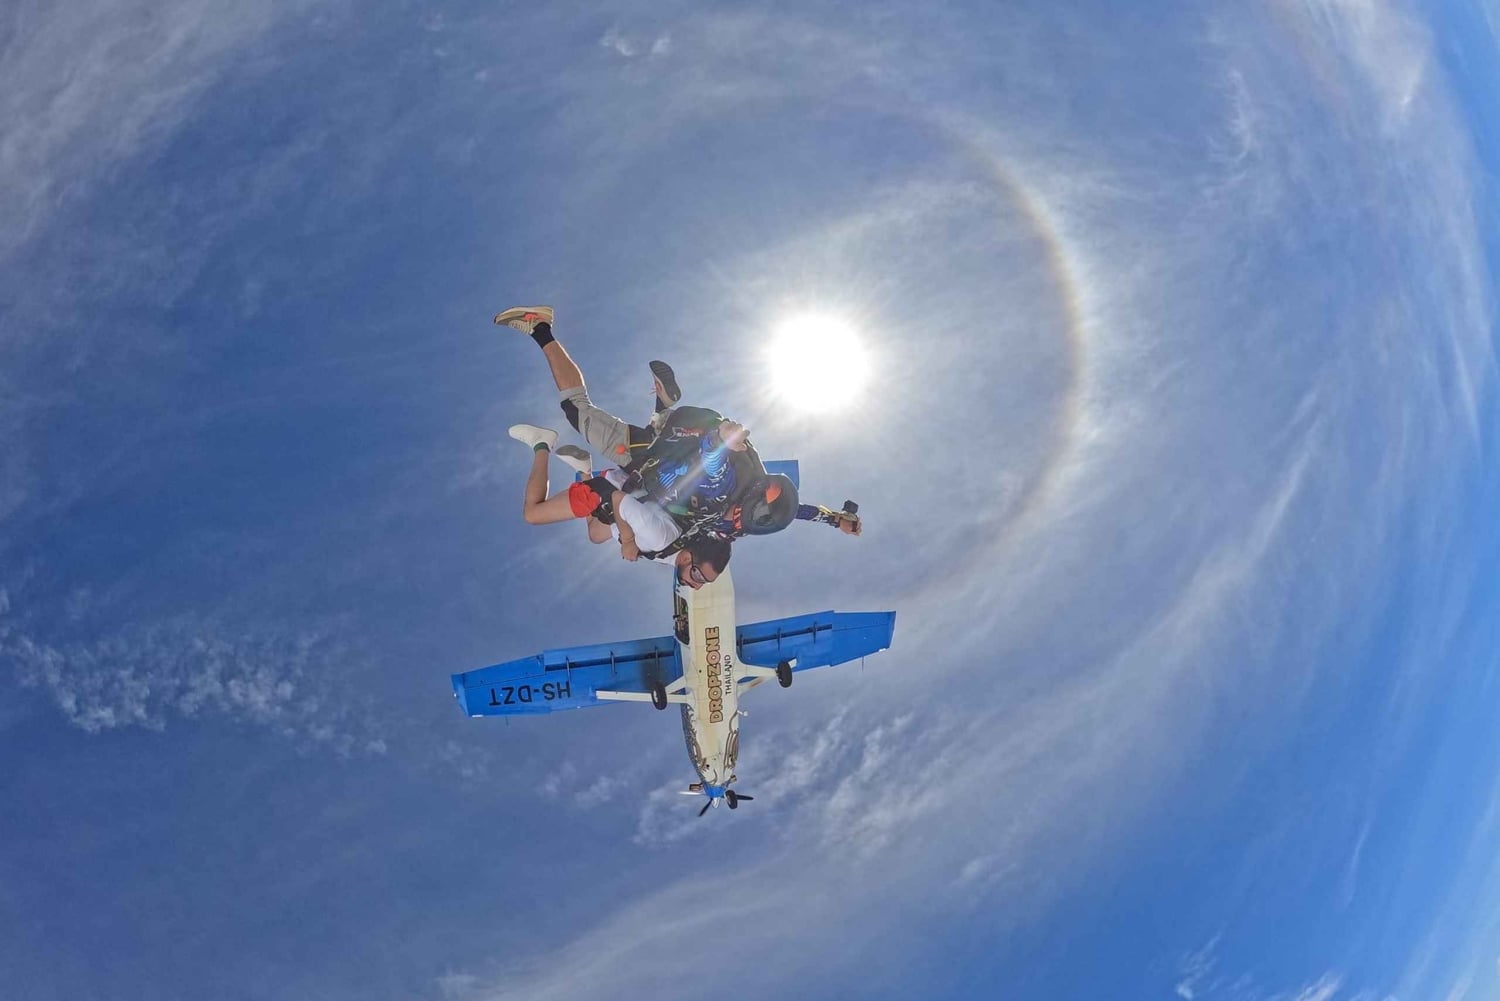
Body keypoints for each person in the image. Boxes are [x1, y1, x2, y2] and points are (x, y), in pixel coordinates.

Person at [496, 304, 860, 560]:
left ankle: (664, 412)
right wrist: (722, 438)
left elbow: (795, 511)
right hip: (644, 463)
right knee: (577, 412)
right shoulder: (729, 490)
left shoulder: (751, 517)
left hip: (649, 468)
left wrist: (834, 519)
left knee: (596, 519)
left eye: (751, 523)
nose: (740, 523)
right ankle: (540, 326)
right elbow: (711, 462)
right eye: (745, 517)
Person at [507, 420, 731, 590]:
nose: (698, 586)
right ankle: (542, 443)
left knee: (596, 534)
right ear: (686, 558)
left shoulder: (675, 550)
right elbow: (617, 500)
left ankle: (584, 469)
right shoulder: (660, 539)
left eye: (705, 581)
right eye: (699, 576)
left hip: (632, 494)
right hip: (609, 492)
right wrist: (628, 542)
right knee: (533, 513)